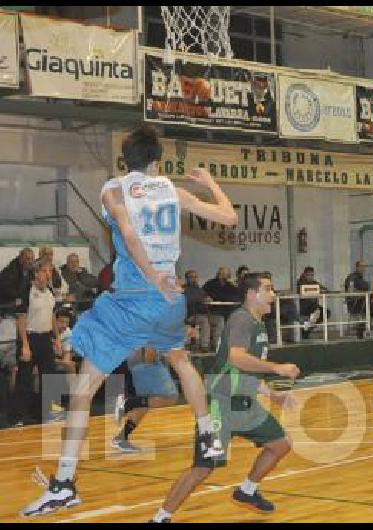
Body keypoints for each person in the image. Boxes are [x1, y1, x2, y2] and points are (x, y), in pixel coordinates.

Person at [21, 124, 239, 518]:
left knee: (83, 390)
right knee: (181, 360)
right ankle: (208, 434)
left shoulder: (114, 189)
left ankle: (65, 484)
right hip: (169, 302)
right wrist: (211, 183)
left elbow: (127, 231)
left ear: (127, 160)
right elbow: (228, 216)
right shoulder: (173, 190)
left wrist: (150, 275)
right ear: (158, 160)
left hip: (133, 301)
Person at [152, 273, 300, 523]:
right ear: (252, 294)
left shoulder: (257, 323)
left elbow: (243, 370)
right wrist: (277, 368)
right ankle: (160, 518)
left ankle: (247, 491)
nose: (274, 294)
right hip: (221, 404)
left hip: (243, 402)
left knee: (280, 444)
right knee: (203, 467)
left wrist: (272, 394)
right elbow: (236, 358)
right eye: (268, 289)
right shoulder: (241, 319)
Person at [12, 261, 61, 426]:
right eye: (45, 270)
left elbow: (52, 315)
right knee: (24, 378)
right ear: (36, 273)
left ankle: (51, 413)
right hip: (29, 338)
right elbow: (20, 318)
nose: (48, 274)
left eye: (50, 270)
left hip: (45, 339)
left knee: (50, 376)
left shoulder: (50, 291)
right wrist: (25, 345)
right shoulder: (26, 290)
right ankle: (19, 416)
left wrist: (58, 338)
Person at [110, 345, 180, 454]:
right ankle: (127, 404)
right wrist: (149, 359)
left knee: (144, 405)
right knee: (170, 397)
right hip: (147, 358)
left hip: (138, 358)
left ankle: (121, 438)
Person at [344, 260, 370, 339]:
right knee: (372, 308)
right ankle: (361, 333)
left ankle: (370, 330)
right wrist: (362, 293)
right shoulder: (352, 277)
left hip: (364, 301)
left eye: (364, 267)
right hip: (355, 303)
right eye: (361, 266)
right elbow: (351, 291)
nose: (363, 268)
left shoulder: (361, 278)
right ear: (357, 267)